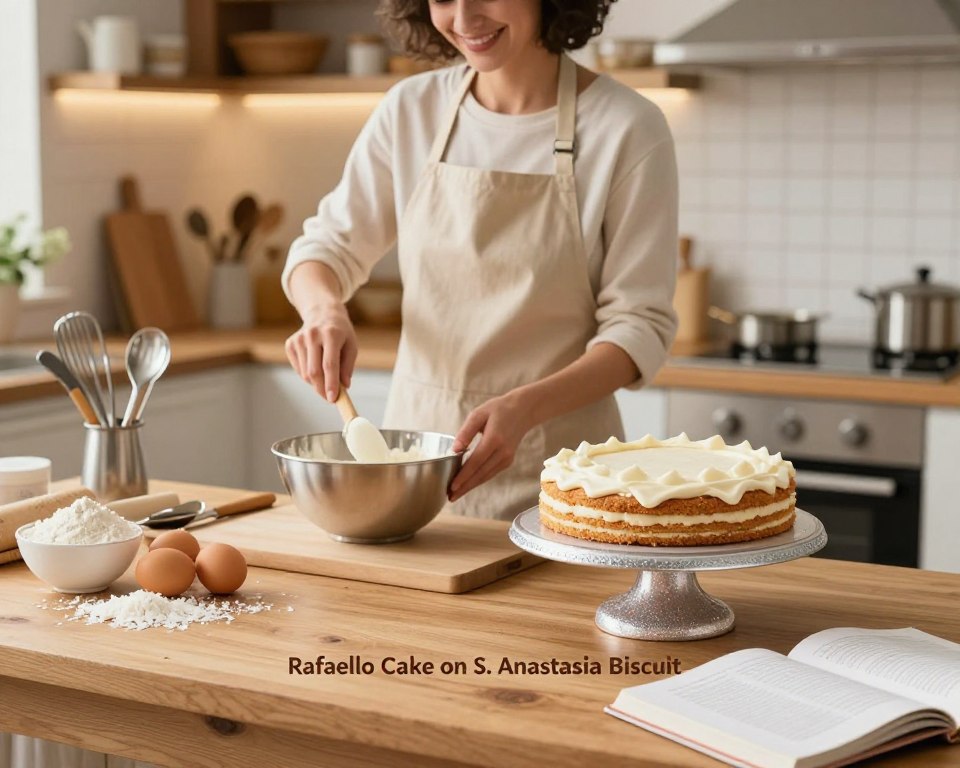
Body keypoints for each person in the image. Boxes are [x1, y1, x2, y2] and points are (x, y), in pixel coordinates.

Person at [283, 0, 678, 521]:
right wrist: (324, 312)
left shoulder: (627, 128)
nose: (464, 20)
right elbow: (323, 250)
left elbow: (638, 329)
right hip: (416, 486)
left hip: (567, 489)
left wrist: (526, 409)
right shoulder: (411, 110)